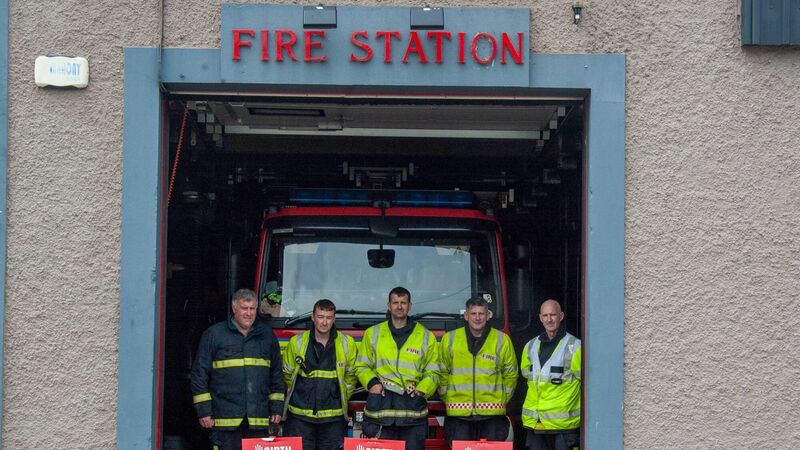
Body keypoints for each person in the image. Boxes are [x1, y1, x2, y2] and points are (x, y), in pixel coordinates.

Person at [190, 288, 286, 450]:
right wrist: (204, 411)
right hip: (224, 420)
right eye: (244, 308)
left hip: (258, 420)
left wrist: (277, 408)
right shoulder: (214, 335)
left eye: (252, 309)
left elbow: (276, 374)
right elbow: (199, 375)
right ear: (234, 309)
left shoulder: (267, 336)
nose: (249, 313)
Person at [354, 286, 441, 450]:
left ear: (410, 306)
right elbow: (361, 366)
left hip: (412, 412)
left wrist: (421, 391)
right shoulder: (372, 333)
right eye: (395, 302)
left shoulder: (425, 336)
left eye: (403, 302)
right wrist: (373, 384)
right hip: (381, 411)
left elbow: (434, 371)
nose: (399, 306)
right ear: (389, 305)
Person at [438, 296, 518, 447]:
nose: (477, 317)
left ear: (488, 316)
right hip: (459, 416)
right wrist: (448, 397)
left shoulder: (502, 340)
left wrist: (501, 399)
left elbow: (511, 374)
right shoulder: (450, 339)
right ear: (466, 316)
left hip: (492, 417)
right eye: (473, 313)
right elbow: (441, 372)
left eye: (481, 313)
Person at [281, 299, 358, 450]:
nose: (324, 322)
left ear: (334, 319)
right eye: (321, 317)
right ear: (313, 317)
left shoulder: (346, 343)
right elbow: (287, 375)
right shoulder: (296, 342)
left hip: (333, 419)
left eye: (329, 318)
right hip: (300, 418)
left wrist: (339, 396)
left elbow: (351, 376)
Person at [520, 299, 582, 450]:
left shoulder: (575, 346)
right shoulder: (530, 346)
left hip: (563, 426)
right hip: (536, 423)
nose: (549, 319)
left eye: (553, 315)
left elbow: (588, 383)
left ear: (561, 316)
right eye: (545, 315)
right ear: (540, 318)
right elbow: (526, 376)